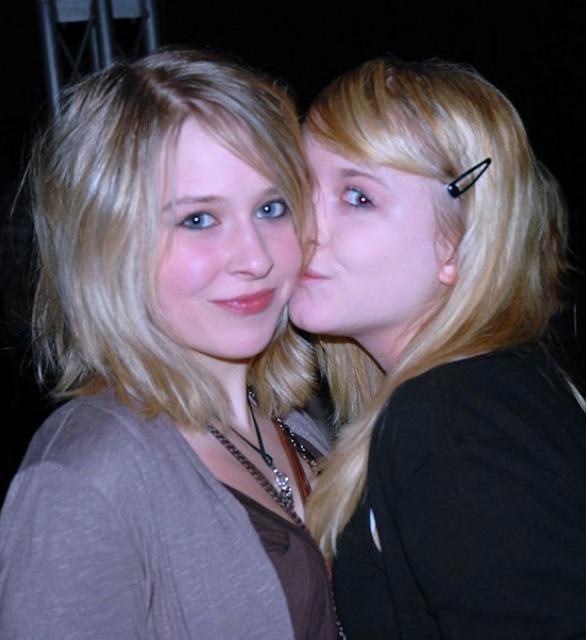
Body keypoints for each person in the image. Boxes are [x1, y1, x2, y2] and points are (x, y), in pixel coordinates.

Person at [289, 58, 586, 639]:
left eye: (357, 197)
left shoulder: (451, 417)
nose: (306, 227)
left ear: (455, 247)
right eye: (304, 188)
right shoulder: (484, 388)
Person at [0, 49, 339, 640]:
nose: (256, 258)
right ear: (110, 245)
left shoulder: (292, 420)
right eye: (198, 220)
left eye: (271, 208)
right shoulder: (84, 476)